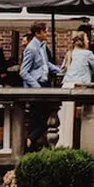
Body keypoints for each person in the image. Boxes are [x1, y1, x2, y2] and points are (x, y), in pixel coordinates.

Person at [57, 29, 94, 148]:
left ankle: (64, 143)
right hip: (79, 87)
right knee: (78, 118)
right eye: (87, 39)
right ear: (84, 42)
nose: (89, 41)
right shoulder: (87, 54)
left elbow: (62, 69)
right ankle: (76, 143)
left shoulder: (70, 53)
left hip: (66, 86)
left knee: (65, 119)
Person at [20, 22, 64, 150]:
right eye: (45, 31)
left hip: (45, 84)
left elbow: (46, 65)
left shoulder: (42, 46)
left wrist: (60, 70)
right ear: (37, 33)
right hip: (36, 87)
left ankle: (31, 141)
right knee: (39, 117)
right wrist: (36, 86)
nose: (47, 33)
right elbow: (23, 71)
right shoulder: (31, 48)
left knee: (45, 116)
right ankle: (30, 141)